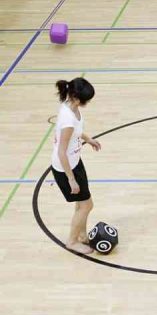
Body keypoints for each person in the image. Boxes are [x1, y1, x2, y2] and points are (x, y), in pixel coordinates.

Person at [50, 77, 102, 254]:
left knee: (82, 203)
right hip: (66, 168)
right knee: (87, 205)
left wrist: (88, 139)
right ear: (77, 98)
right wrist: (71, 179)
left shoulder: (70, 106)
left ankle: (81, 235)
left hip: (75, 162)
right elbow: (61, 152)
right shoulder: (67, 120)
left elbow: (76, 131)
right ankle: (71, 242)